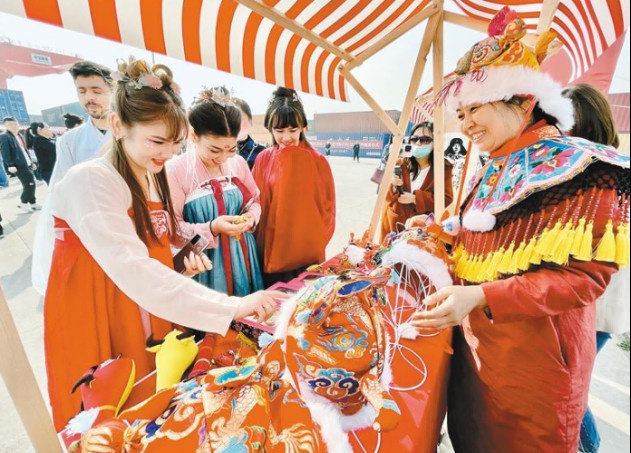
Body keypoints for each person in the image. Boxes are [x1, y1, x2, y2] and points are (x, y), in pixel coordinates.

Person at [409, 9, 629, 452]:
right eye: (462, 112)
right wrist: (439, 232)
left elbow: (584, 278)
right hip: (478, 358)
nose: (466, 124)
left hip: (537, 368)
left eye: (476, 109)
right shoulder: (491, 164)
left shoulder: (585, 167)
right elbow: (485, 239)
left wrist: (483, 296)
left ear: (524, 102)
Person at [44, 57, 283, 431]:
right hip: (103, 309)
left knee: (156, 399)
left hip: (146, 303)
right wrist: (232, 306)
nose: (169, 154)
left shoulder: (149, 171)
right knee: (114, 413)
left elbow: (161, 239)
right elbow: (133, 266)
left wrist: (181, 256)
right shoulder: (90, 180)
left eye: (174, 144)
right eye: (157, 141)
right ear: (118, 125)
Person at [562, 83, 628, 453]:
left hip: (596, 301)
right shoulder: (580, 169)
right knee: (571, 384)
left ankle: (589, 448)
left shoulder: (609, 172)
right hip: (586, 298)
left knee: (570, 387)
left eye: (569, 127)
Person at [168, 88, 264, 296]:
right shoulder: (176, 170)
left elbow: (254, 202)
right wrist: (211, 228)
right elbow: (171, 229)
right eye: (214, 150)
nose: (222, 158)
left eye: (231, 149)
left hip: (243, 256)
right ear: (193, 135)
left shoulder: (238, 164)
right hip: (203, 265)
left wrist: (251, 217)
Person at [32, 61, 114, 295]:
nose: (89, 97)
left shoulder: (131, 131)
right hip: (88, 230)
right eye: (82, 91)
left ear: (113, 90)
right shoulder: (69, 140)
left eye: (97, 91)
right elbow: (61, 191)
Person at [252, 87, 336, 285]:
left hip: (305, 255)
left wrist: (311, 243)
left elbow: (327, 209)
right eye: (279, 131)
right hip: (268, 252)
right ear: (270, 129)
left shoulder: (317, 161)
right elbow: (255, 202)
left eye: (293, 130)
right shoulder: (264, 158)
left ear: (303, 127)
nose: (287, 137)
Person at [379, 121, 453, 239]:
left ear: (435, 143)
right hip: (393, 225)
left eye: (425, 140)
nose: (418, 143)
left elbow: (446, 199)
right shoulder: (399, 163)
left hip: (420, 231)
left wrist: (414, 198)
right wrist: (391, 184)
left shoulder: (443, 169)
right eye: (414, 139)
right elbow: (385, 196)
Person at [0, 116, 40, 212]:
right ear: (5, 126)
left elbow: (25, 150)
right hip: (18, 165)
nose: (14, 126)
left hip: (27, 163)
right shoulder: (4, 136)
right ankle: (23, 203)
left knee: (30, 183)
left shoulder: (19, 135)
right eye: (10, 124)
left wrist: (31, 162)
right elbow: (5, 152)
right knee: (29, 184)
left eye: (15, 124)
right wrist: (10, 165)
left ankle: (33, 203)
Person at [232, 97, 266, 170]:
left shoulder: (262, 152)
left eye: (240, 118)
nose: (235, 123)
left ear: (250, 121)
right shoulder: (218, 153)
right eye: (231, 119)